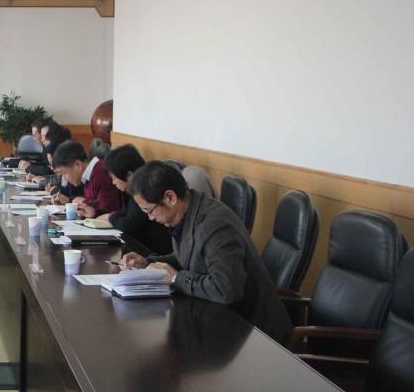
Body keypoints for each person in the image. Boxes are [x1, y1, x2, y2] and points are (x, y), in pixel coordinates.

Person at [119, 161, 291, 343]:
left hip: (255, 334)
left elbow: (226, 289)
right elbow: (190, 257)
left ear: (170, 197)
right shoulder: (186, 213)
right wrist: (148, 263)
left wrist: (176, 278)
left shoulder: (215, 225)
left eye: (150, 210)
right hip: (222, 322)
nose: (150, 218)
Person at [98, 144, 173, 254]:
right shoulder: (129, 191)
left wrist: (111, 217)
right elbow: (124, 213)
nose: (113, 182)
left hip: (153, 250)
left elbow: (129, 224)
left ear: (129, 175)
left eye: (114, 178)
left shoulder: (144, 191)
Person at [49, 140, 123, 216]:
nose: (64, 179)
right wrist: (69, 200)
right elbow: (93, 201)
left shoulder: (100, 173)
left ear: (78, 165)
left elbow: (108, 211)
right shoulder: (89, 175)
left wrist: (88, 206)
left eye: (63, 173)